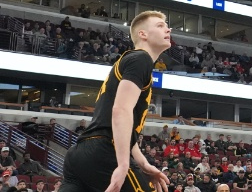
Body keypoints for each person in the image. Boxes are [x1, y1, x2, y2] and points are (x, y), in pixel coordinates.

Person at [59, 11, 171, 192]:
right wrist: (123, 164)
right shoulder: (141, 59)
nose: (168, 29)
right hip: (104, 150)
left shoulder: (129, 61)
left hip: (79, 154)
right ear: (143, 34)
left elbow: (124, 128)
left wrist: (143, 163)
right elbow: (121, 110)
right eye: (160, 26)